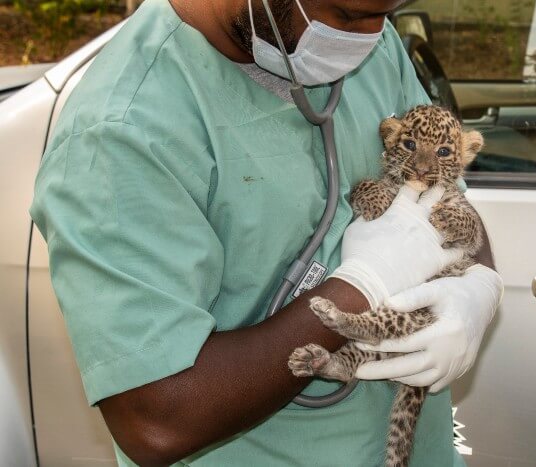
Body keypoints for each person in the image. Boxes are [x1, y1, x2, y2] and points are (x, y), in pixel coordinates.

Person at [28, 0, 504, 465]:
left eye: (384, 14)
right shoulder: (122, 133)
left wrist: (480, 287)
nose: (367, 36)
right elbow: (154, 421)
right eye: (347, 17)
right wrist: (361, 286)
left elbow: (446, 199)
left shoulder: (369, 33)